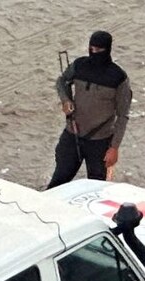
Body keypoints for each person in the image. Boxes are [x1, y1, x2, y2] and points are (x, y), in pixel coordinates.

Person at [46, 31, 133, 189]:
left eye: (98, 50)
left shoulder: (118, 78)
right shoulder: (79, 65)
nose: (94, 53)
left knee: (96, 188)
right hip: (72, 134)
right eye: (91, 49)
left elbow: (122, 116)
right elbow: (62, 81)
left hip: (100, 142)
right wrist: (66, 100)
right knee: (58, 182)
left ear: (107, 50)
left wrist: (114, 148)